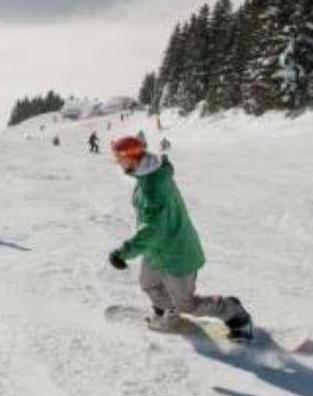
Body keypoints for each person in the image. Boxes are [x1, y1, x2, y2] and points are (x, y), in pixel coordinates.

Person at [106, 134, 252, 340]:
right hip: (156, 249)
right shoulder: (146, 174)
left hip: (177, 252)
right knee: (149, 283)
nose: (118, 163)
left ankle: (234, 312)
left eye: (119, 159)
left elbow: (152, 229)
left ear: (131, 157)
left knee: (187, 304)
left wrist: (123, 253)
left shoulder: (152, 186)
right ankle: (168, 313)